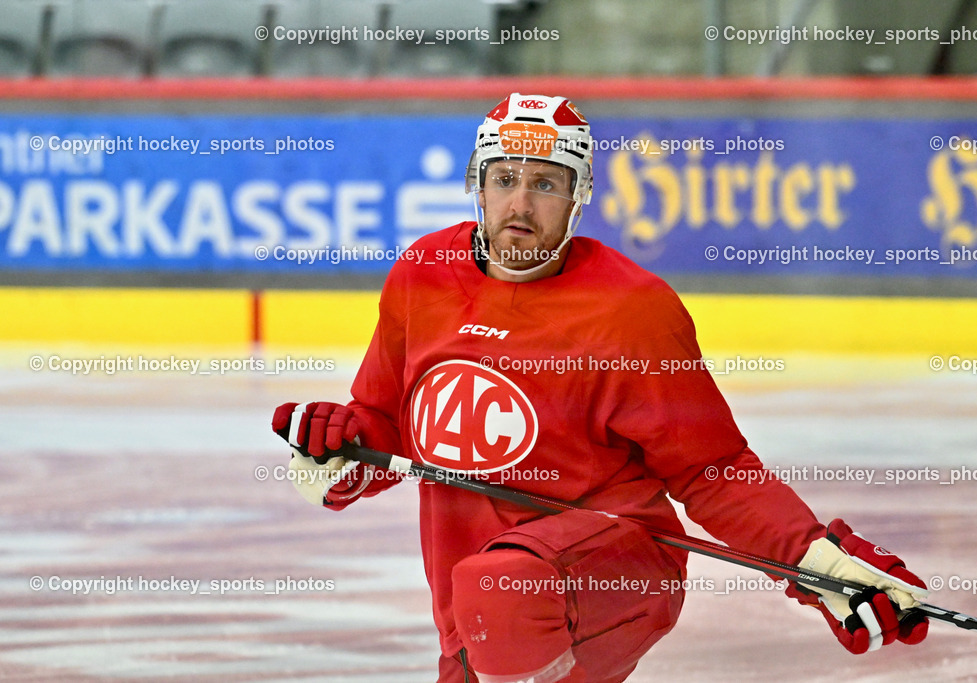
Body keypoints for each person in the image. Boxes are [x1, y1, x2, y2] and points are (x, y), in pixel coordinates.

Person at [271, 93, 930, 683]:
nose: (520, 204)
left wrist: (815, 561)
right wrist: (341, 449)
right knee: (491, 599)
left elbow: (713, 469)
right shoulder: (424, 275)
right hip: (485, 611)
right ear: (478, 184)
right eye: (504, 179)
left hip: (619, 570)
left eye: (546, 185)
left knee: (499, 586)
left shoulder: (630, 310)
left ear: (579, 197)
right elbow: (391, 424)